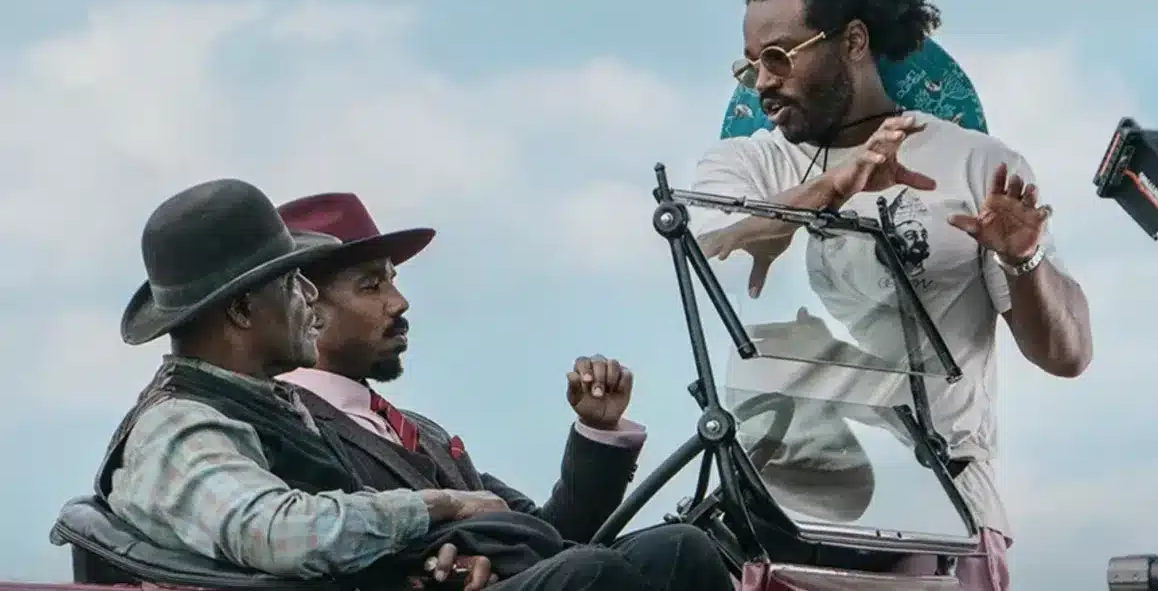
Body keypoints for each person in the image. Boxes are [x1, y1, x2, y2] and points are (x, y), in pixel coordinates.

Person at [691, 0, 1094, 591]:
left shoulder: (977, 164)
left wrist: (1025, 260)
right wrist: (837, 184)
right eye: (750, 64)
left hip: (942, 517)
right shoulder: (746, 165)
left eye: (779, 56)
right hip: (783, 512)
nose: (761, 82)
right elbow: (707, 248)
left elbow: (1068, 355)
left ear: (854, 41)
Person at [96, 178, 710, 591]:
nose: (305, 297)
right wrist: (440, 511)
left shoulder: (274, 409)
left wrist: (448, 551)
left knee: (677, 548)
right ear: (239, 310)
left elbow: (535, 531)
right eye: (291, 283)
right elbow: (278, 533)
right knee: (593, 577)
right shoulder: (179, 424)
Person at [274, 192, 734, 591]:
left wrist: (598, 430)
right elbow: (310, 551)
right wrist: (432, 565)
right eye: (371, 285)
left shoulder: (422, 432)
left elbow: (549, 533)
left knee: (679, 547)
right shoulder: (285, 424)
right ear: (306, 307)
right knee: (590, 574)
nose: (399, 301)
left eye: (393, 279)